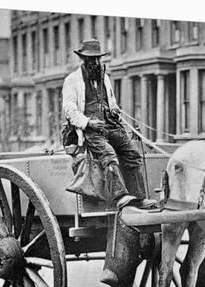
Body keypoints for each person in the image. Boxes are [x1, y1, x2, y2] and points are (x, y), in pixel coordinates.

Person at [62, 39, 157, 209]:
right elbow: (69, 110)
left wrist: (114, 110)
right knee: (109, 155)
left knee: (132, 154)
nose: (95, 62)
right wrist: (89, 123)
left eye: (98, 58)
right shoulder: (72, 80)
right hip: (90, 132)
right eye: (91, 59)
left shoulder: (104, 77)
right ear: (83, 59)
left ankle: (139, 198)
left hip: (110, 126)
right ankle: (120, 196)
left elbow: (111, 102)